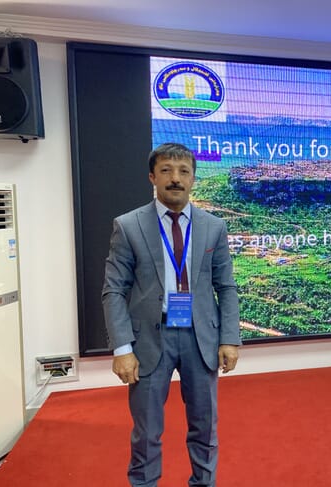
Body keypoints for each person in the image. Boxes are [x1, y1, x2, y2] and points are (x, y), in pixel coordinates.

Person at [102, 142, 241, 487]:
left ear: (194, 178)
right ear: (152, 176)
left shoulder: (213, 227)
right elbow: (113, 291)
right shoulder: (128, 226)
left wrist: (229, 339)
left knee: (204, 429)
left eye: (183, 172)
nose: (175, 179)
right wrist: (122, 349)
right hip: (149, 340)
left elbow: (226, 287)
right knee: (147, 432)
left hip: (201, 339)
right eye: (166, 170)